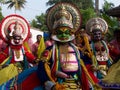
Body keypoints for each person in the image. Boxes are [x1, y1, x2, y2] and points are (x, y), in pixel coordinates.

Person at [36, 2, 101, 90]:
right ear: (55, 33)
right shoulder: (50, 50)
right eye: (60, 33)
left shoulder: (77, 50)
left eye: (66, 32)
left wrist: (91, 66)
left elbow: (85, 63)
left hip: (77, 83)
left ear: (71, 33)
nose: (63, 36)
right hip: (59, 83)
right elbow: (42, 67)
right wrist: (50, 82)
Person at [0, 14, 37, 90]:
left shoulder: (23, 48)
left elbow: (28, 55)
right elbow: (2, 57)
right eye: (15, 38)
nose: (17, 41)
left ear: (21, 38)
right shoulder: (9, 48)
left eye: (18, 39)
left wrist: (34, 60)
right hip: (10, 69)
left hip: (23, 67)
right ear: (12, 38)